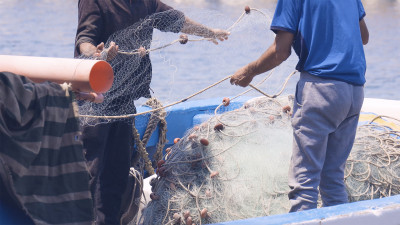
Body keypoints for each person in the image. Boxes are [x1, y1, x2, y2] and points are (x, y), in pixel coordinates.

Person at [74, 1, 229, 224]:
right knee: (92, 174)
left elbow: (175, 19)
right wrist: (97, 55)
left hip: (124, 103)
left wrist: (208, 32)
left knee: (117, 176)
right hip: (94, 102)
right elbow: (85, 40)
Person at [230, 0, 369, 212]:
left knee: (304, 183)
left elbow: (280, 51)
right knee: (333, 177)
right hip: (354, 92)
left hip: (321, 90)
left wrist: (249, 71)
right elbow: (364, 37)